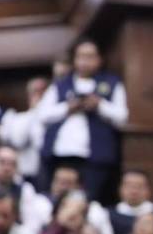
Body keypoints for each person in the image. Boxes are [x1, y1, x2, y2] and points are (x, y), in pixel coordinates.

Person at [38, 39, 129, 203]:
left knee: (87, 201)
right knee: (55, 200)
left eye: (90, 57)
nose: (85, 61)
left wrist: (99, 105)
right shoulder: (61, 84)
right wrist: (68, 107)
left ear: (99, 59)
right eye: (81, 56)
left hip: (95, 158)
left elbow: (122, 118)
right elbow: (42, 115)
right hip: (60, 155)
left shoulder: (112, 83)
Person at [4, 76, 49, 186]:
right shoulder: (19, 118)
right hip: (27, 172)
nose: (40, 95)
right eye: (36, 91)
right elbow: (19, 140)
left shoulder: (56, 116)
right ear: (29, 95)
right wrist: (35, 112)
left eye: (43, 91)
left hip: (49, 168)